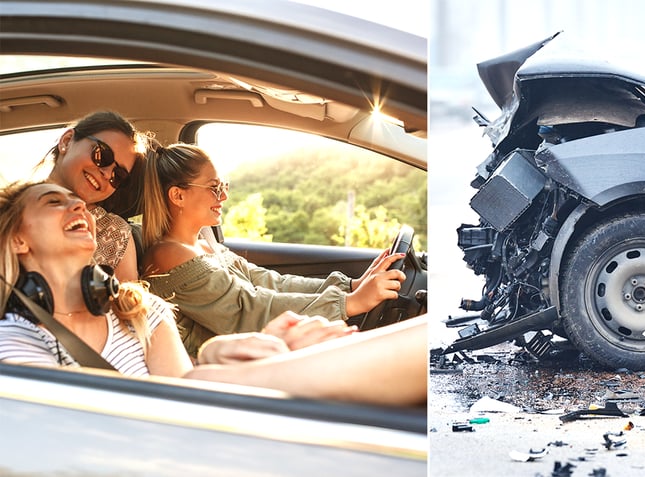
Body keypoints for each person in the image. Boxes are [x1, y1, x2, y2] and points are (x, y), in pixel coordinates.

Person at [0, 181, 427, 406]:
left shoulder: (139, 307)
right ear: (19, 240)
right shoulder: (13, 346)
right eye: (55, 202)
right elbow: (74, 427)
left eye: (79, 203)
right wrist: (221, 363)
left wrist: (223, 356)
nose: (79, 207)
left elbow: (184, 389)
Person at [141, 143, 408, 356]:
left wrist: (350, 286)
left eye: (224, 186)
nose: (223, 196)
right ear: (178, 196)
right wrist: (350, 303)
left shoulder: (202, 243)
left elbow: (270, 283)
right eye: (214, 188)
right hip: (210, 373)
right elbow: (247, 310)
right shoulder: (168, 256)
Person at [38, 110, 149, 282]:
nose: (106, 173)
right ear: (66, 141)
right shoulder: (11, 206)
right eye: (102, 155)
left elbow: (129, 306)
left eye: (118, 175)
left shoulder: (115, 233)